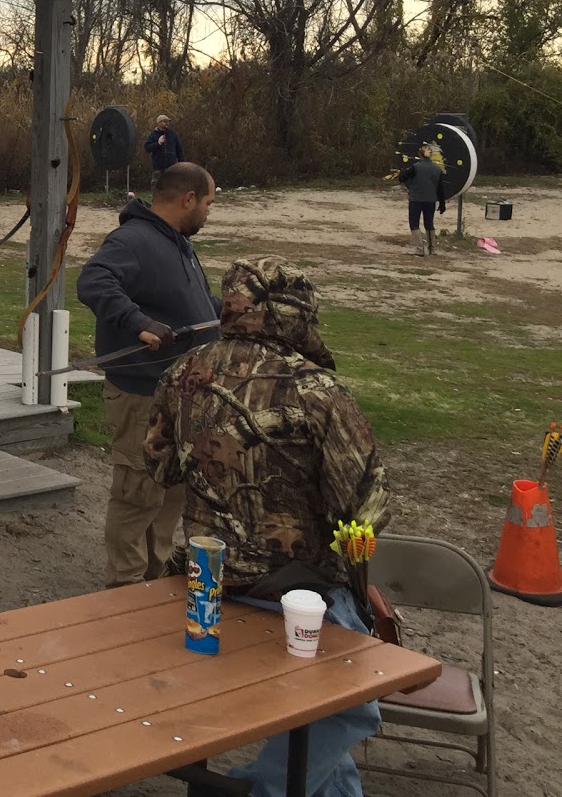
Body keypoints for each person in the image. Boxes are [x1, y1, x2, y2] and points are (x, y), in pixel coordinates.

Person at [145, 255, 389, 797]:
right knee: (352, 709)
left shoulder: (184, 373)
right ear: (293, 312)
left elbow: (158, 464)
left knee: (333, 754)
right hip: (296, 591)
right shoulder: (317, 391)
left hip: (206, 581)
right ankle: (255, 790)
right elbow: (365, 505)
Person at [75, 162, 221, 588]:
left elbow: (189, 301)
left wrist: (226, 312)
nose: (210, 213)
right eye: (209, 203)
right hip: (142, 394)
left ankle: (153, 580)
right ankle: (124, 586)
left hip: (182, 391)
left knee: (172, 489)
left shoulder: (178, 243)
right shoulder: (133, 240)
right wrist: (138, 322)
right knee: (138, 492)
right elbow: (94, 280)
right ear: (188, 199)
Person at [396, 142, 448, 256]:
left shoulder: (415, 167)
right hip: (430, 200)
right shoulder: (437, 169)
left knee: (414, 223)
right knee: (429, 224)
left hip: (416, 199)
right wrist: (442, 203)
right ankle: (431, 249)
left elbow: (402, 178)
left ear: (420, 154)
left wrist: (408, 180)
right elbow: (440, 188)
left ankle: (420, 249)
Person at [143, 114, 185, 188]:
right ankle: (156, 199)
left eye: (168, 121)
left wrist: (181, 163)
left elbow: (179, 149)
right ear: (159, 123)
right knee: (156, 186)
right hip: (158, 166)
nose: (167, 123)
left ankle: (171, 199)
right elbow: (147, 148)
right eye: (165, 122)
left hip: (172, 166)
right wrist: (157, 143)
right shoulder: (153, 135)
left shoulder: (172, 134)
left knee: (172, 186)